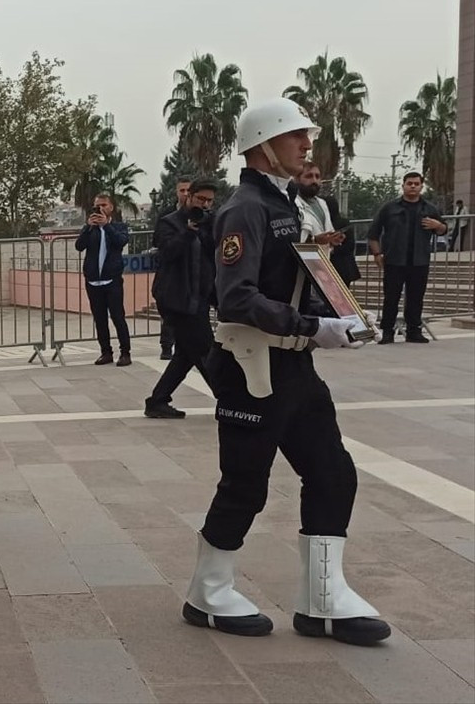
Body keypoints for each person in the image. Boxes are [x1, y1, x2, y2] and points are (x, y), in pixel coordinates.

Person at [182, 98, 390, 647]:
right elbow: (236, 298)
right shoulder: (243, 209)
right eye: (296, 136)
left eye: (306, 136)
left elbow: (295, 281)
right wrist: (312, 324)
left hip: (293, 362)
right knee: (245, 485)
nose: (307, 146)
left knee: (332, 472)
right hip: (253, 365)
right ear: (262, 145)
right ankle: (208, 591)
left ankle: (323, 598)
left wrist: (334, 321)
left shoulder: (290, 206)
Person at [144, 179, 217, 419]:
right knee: (205, 350)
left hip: (199, 298)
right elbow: (166, 253)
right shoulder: (168, 222)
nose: (204, 205)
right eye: (200, 199)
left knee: (186, 354)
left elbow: (213, 257)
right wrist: (188, 232)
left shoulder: (210, 223)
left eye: (209, 201)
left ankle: (157, 400)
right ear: (189, 197)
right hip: (176, 299)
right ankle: (228, 399)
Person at [367, 172, 447, 344]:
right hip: (395, 260)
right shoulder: (390, 208)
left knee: (416, 297)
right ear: (403, 185)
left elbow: (443, 230)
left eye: (416, 183)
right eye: (409, 183)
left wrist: (438, 225)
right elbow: (373, 233)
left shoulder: (429, 209)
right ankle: (387, 331)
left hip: (419, 261)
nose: (412, 186)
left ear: (421, 186)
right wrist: (376, 254)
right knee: (391, 297)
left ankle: (414, 331)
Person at [76, 193, 131, 367]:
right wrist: (87, 227)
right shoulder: (90, 228)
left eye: (104, 205)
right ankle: (105, 352)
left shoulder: (119, 226)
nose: (100, 208)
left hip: (112, 280)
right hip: (93, 281)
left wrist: (106, 226)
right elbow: (79, 246)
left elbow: (120, 242)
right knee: (99, 318)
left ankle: (125, 353)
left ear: (111, 207)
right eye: (97, 205)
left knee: (117, 317)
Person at [155, 177, 192, 360]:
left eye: (188, 191)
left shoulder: (202, 215)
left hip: (193, 277)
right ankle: (167, 346)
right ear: (176, 192)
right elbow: (161, 243)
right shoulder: (167, 217)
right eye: (182, 190)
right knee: (171, 317)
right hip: (172, 275)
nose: (185, 194)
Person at [294, 163, 345, 257]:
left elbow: (327, 231)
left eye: (317, 177)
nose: (314, 181)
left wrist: (333, 239)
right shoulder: (292, 203)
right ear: (297, 179)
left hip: (323, 261)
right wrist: (315, 240)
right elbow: (293, 241)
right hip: (301, 262)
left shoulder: (322, 203)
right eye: (309, 176)